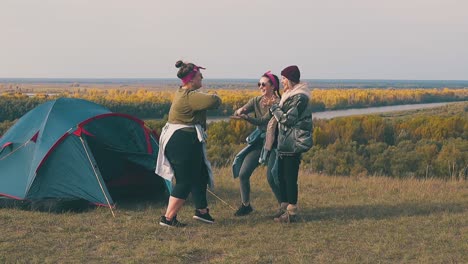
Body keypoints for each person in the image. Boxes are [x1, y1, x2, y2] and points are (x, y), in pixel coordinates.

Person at [156, 60, 222, 227]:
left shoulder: (184, 92)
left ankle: (202, 211)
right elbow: (215, 102)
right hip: (182, 141)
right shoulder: (190, 96)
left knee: (200, 174)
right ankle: (168, 218)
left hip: (183, 139)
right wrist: (213, 94)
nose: (202, 78)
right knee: (185, 180)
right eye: (200, 76)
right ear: (192, 80)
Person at [264, 65, 313, 223]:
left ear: (290, 79)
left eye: (284, 78)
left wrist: (274, 107)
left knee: (290, 178)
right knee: (281, 177)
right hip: (285, 142)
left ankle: (292, 213)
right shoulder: (289, 95)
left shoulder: (300, 97)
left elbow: (287, 119)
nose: (282, 81)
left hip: (293, 143)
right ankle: (284, 207)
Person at [231, 71, 282, 216]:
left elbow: (263, 121)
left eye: (263, 84)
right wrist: (240, 110)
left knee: (272, 177)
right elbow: (242, 109)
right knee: (243, 173)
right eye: (259, 84)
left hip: (274, 143)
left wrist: (246, 118)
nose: (260, 86)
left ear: (273, 86)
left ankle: (283, 208)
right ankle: (246, 205)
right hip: (259, 142)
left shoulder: (277, 103)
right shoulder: (256, 100)